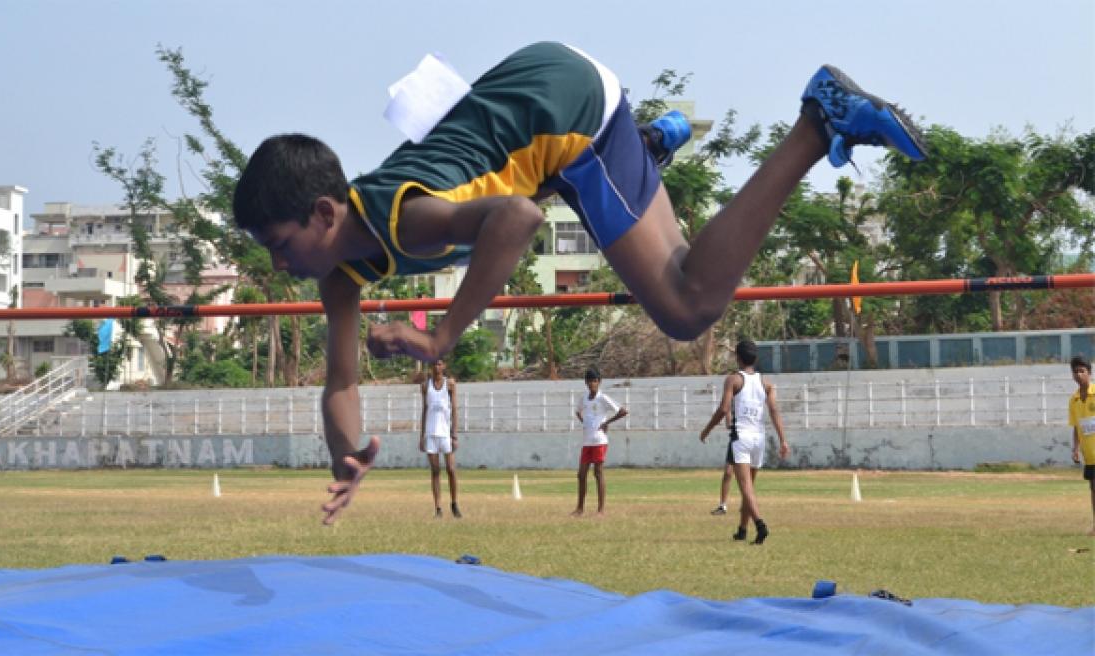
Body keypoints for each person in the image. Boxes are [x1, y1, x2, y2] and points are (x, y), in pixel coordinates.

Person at [233, 41, 927, 524]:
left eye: (280, 245)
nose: (277, 265)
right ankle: (645, 149)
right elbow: (342, 384)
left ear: (324, 214)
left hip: (560, 107)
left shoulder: (403, 220)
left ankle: (815, 121)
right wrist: (346, 456)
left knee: (688, 304)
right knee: (679, 276)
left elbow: (515, 217)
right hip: (540, 123)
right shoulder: (341, 275)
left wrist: (442, 334)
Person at [699, 340, 790, 544]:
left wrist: (706, 429)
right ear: (755, 358)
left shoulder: (733, 380)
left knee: (745, 487)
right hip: (759, 438)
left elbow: (724, 409)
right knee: (749, 489)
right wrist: (783, 440)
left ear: (737, 358)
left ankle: (760, 524)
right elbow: (774, 411)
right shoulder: (766, 383)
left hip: (741, 437)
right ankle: (742, 529)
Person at [573, 367, 627, 517]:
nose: (592, 384)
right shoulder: (584, 398)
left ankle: (601, 510)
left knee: (598, 473)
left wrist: (606, 422)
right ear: (586, 383)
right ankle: (579, 509)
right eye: (589, 381)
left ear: (599, 382)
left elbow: (622, 411)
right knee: (581, 474)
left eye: (595, 381)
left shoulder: (603, 398)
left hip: (599, 441)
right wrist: (584, 422)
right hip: (587, 441)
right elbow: (577, 411)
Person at [420, 359, 461, 519]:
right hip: (431, 433)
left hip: (445, 433)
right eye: (434, 365)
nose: (437, 367)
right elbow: (424, 409)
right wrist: (422, 435)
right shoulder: (425, 386)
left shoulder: (450, 384)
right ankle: (438, 508)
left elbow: (454, 410)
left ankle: (454, 503)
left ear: (444, 366)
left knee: (451, 469)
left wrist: (454, 434)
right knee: (435, 471)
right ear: (430, 367)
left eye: (440, 364)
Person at [1068, 355, 1095, 536]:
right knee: (1093, 488)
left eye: (1082, 371)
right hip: (1090, 454)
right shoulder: (1074, 400)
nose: (1078, 375)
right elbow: (1077, 427)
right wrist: (1076, 449)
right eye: (1075, 371)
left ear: (1089, 373)